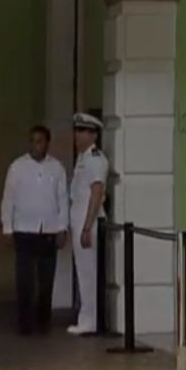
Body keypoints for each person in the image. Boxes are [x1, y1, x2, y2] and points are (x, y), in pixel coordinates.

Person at [0, 125, 68, 335]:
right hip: (24, 230)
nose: (36, 145)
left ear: (47, 143)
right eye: (32, 141)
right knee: (24, 281)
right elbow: (8, 199)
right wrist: (7, 228)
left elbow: (63, 199)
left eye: (40, 141)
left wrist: (62, 228)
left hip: (48, 230)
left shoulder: (57, 168)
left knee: (46, 281)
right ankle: (24, 323)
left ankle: (43, 321)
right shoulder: (17, 167)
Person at [68, 112, 109, 335]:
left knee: (88, 273)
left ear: (93, 135)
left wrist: (86, 227)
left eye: (82, 131)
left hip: (88, 221)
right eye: (77, 130)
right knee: (83, 272)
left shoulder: (95, 160)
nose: (77, 135)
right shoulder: (83, 158)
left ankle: (90, 320)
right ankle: (86, 316)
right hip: (80, 219)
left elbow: (96, 193)